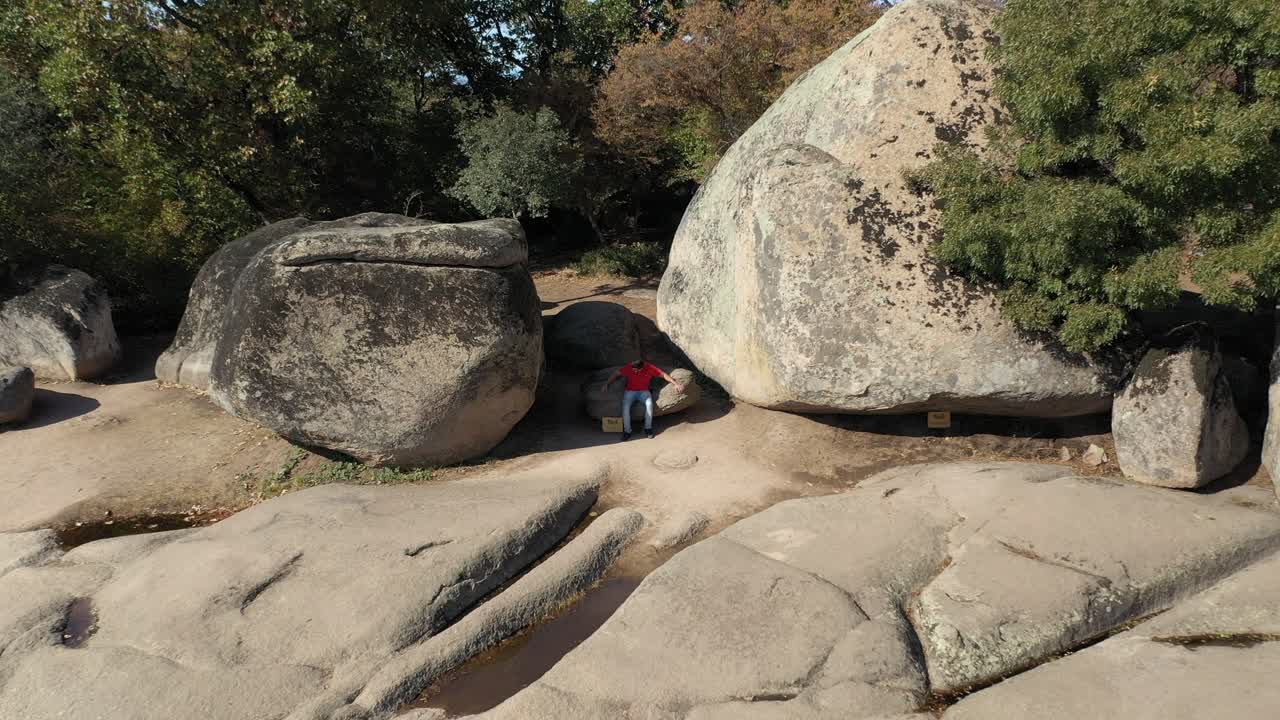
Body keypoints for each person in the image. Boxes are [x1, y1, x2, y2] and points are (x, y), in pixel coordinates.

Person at [603, 358, 685, 441]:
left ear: (641, 368)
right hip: (630, 391)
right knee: (625, 408)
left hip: (644, 392)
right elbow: (616, 374)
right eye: (632, 368)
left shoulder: (650, 368)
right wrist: (607, 384)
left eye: (635, 370)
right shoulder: (629, 367)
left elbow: (663, 375)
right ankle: (627, 431)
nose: (633, 370)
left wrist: (676, 384)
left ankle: (648, 428)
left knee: (649, 405)